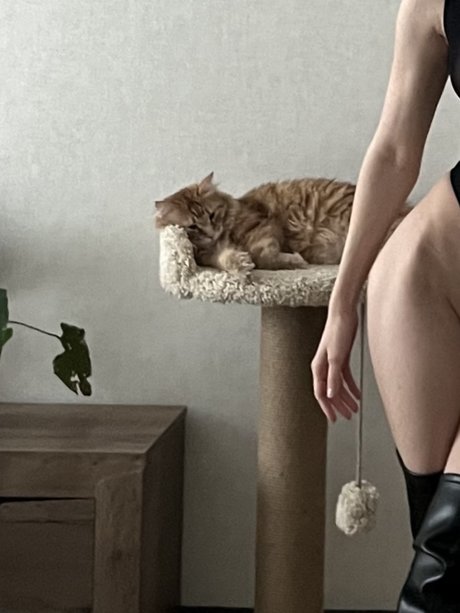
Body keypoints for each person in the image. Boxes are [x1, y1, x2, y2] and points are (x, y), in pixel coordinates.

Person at [310, 0, 460, 609]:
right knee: (433, 525)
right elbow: (395, 148)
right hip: (433, 273)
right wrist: (342, 303)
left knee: (448, 559)